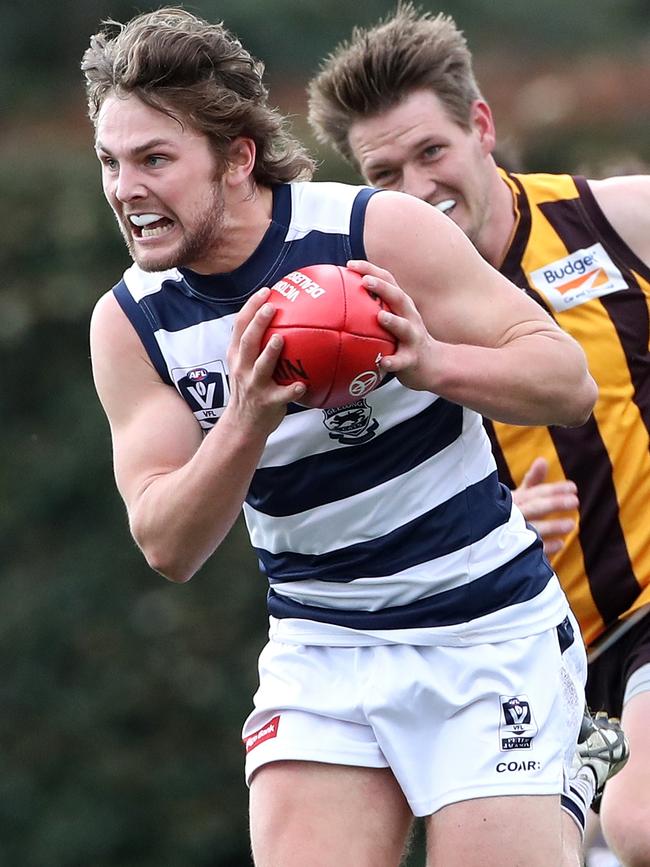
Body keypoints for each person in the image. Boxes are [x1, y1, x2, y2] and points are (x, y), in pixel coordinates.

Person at [81, 8, 599, 867]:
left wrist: (429, 361)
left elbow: (566, 382)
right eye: (110, 160)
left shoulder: (373, 233)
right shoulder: (132, 322)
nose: (125, 189)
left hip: (484, 632)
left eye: (155, 160)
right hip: (323, 643)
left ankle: (567, 789)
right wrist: (246, 416)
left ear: (238, 157)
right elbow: (167, 542)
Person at [307, 4, 649, 865]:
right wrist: (495, 520)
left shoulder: (612, 220)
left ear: (482, 128)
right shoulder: (366, 329)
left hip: (646, 611)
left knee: (643, 823)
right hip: (517, 656)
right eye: (385, 174)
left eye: (433, 153)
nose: (418, 188)